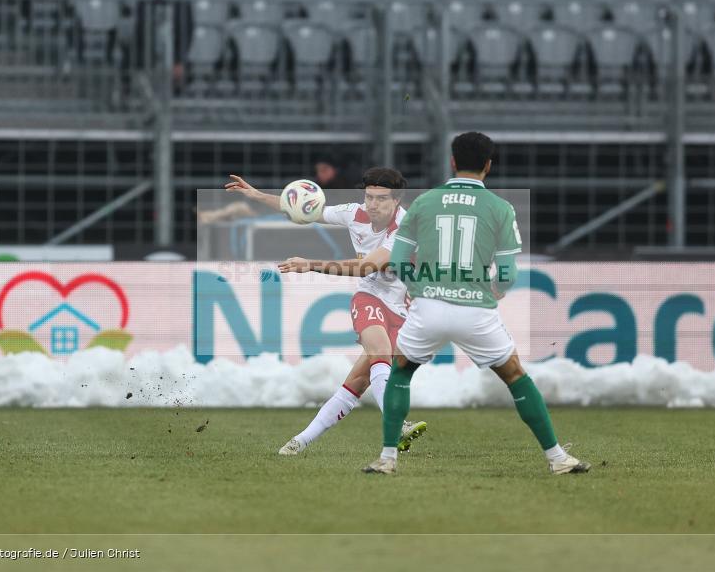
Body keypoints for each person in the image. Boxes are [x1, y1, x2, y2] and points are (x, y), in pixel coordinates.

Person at [362, 132, 591, 476]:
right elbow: (509, 273)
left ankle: (388, 458)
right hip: (476, 310)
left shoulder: (424, 203)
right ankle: (557, 458)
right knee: (515, 376)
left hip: (429, 306)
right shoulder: (500, 208)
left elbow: (396, 259)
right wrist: (495, 291)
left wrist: (419, 289)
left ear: (452, 162)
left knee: (402, 371)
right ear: (488, 165)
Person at [225, 169, 427, 455]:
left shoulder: (404, 228)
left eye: (381, 199)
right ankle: (398, 423)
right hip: (369, 297)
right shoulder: (354, 213)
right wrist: (257, 195)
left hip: (402, 308)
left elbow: (367, 265)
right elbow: (303, 209)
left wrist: (311, 264)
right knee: (380, 351)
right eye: (369, 197)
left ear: (396, 201)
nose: (372, 204)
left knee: (357, 381)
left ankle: (299, 441)